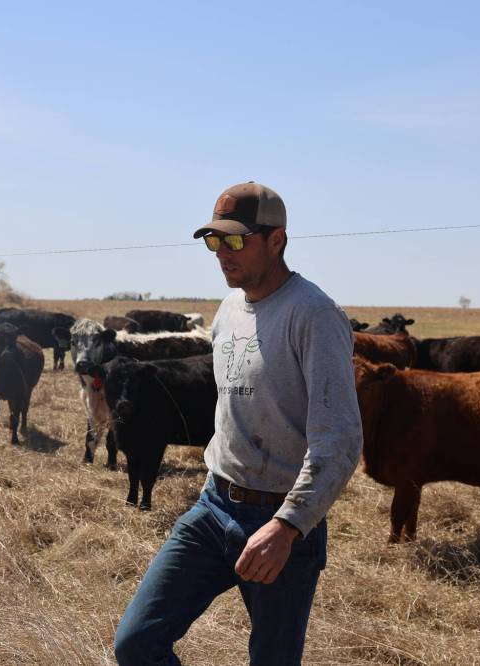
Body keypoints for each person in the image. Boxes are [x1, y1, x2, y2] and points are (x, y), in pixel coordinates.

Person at [114, 182, 363, 666]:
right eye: (214, 241)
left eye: (235, 240)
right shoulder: (228, 310)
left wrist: (287, 527)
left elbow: (339, 437)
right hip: (213, 507)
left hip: (279, 522)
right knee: (137, 642)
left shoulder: (314, 315)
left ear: (277, 240)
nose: (221, 254)